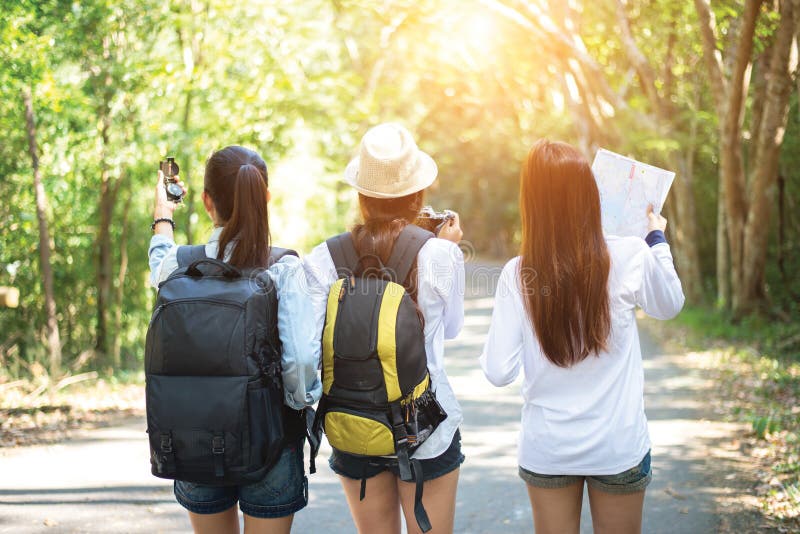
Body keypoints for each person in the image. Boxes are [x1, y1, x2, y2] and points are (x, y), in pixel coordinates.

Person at [480, 140, 685, 534]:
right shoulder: (629, 255)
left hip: (549, 447)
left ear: (531, 203)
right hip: (617, 444)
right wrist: (656, 239)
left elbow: (497, 372)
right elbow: (670, 304)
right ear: (591, 194)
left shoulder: (518, 273)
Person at [148, 145, 321, 534]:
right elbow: (300, 362)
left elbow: (157, 259)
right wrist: (298, 405)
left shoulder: (178, 265)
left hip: (192, 435)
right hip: (270, 437)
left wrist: (163, 215)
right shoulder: (283, 268)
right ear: (266, 199)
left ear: (207, 201)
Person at [304, 123, 465, 534]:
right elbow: (451, 331)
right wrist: (444, 246)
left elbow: (309, 347)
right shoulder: (441, 255)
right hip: (424, 425)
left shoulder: (324, 258)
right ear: (418, 195)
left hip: (354, 421)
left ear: (361, 196)